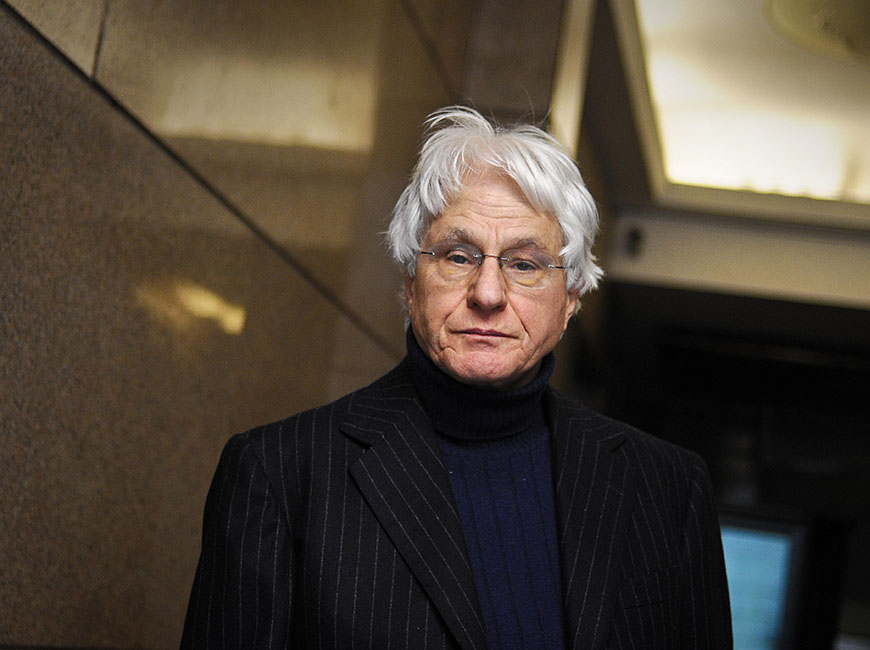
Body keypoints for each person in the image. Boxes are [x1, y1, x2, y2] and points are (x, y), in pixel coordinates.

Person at [180, 107, 732, 649]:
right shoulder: (280, 474)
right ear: (410, 282)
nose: (487, 294)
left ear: (570, 299)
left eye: (524, 264)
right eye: (458, 256)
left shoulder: (667, 490)